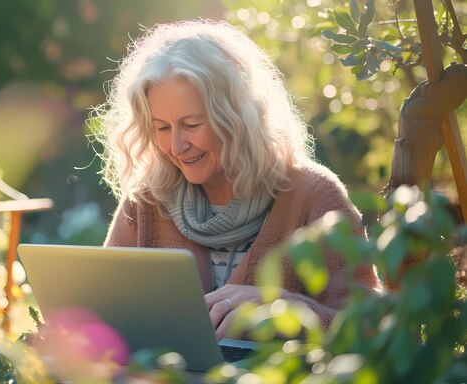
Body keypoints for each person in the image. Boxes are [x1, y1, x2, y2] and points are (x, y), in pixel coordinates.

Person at [92, 19, 383, 340]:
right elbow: (103, 316)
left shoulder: (315, 196)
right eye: (162, 128)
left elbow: (373, 329)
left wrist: (285, 309)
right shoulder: (146, 202)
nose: (176, 146)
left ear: (237, 117)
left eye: (191, 124)